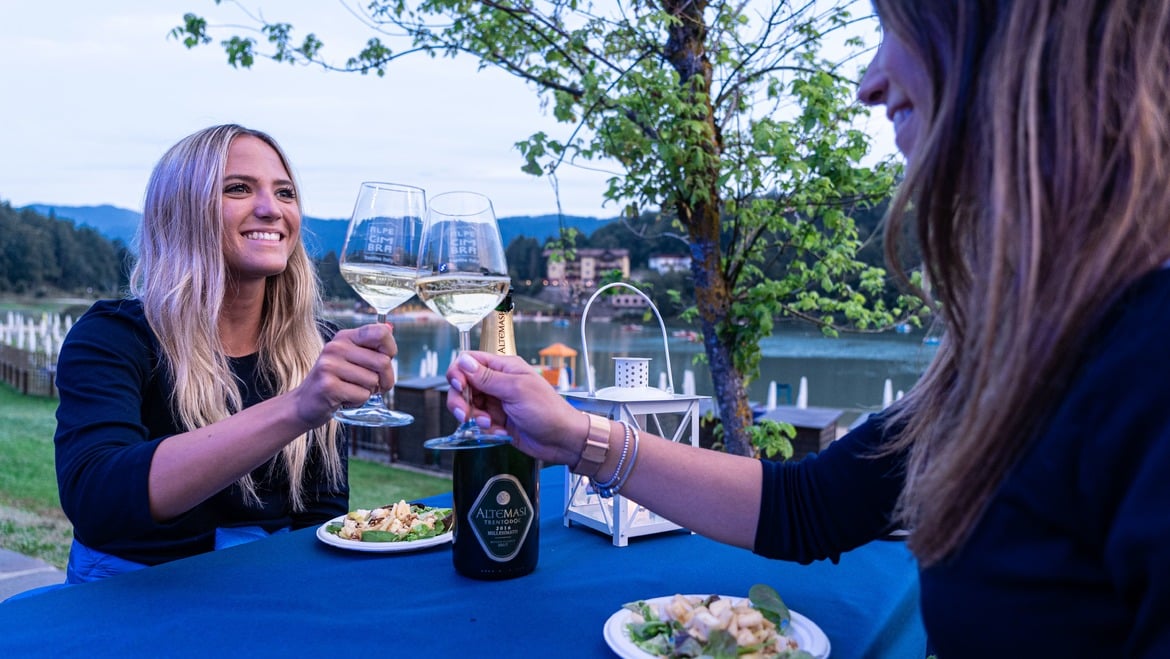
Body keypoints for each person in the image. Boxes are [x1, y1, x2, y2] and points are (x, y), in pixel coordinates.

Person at [443, 1, 1170, 656]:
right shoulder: (1027, 348)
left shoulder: (1147, 357)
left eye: (897, 29)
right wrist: (573, 435)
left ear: (1012, 34)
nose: (868, 83)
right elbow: (812, 505)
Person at [53, 124, 398, 582]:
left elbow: (322, 514)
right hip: (131, 599)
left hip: (269, 589)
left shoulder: (316, 343)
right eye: (237, 188)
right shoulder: (112, 336)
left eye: (285, 193)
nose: (270, 209)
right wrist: (296, 408)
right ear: (181, 212)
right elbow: (98, 499)